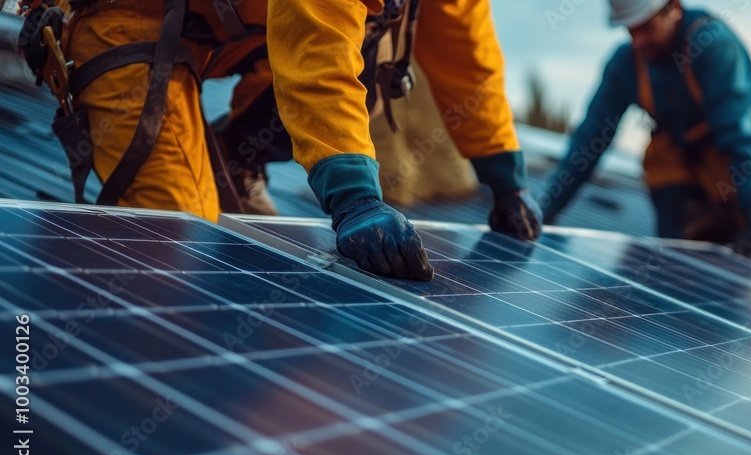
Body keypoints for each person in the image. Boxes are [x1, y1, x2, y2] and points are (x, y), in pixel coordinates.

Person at [18, 0, 543, 282]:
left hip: (225, 27)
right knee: (175, 237)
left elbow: (467, 59)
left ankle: (236, 159)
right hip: (125, 19)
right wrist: (356, 198)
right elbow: (319, 54)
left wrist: (506, 182)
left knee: (378, 41)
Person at [540, 0, 751, 261]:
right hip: (684, 169)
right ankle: (674, 261)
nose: (639, 41)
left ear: (673, 8)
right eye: (631, 31)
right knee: (662, 161)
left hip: (743, 171)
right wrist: (545, 208)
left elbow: (741, 137)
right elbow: (590, 138)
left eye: (646, 28)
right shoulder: (627, 63)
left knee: (749, 254)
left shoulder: (712, 45)